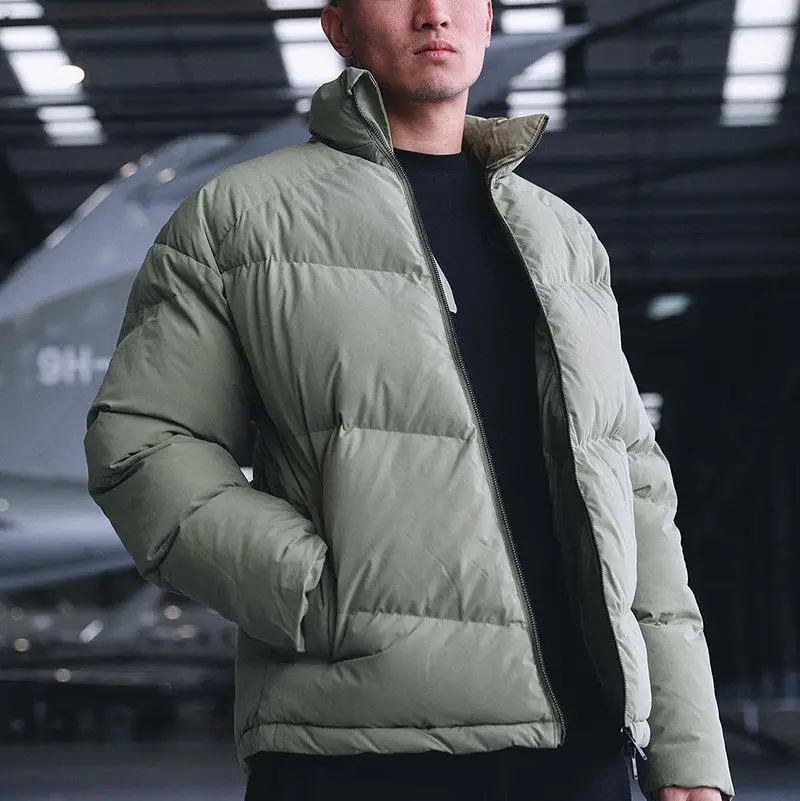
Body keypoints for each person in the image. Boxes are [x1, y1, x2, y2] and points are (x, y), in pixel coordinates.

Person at [83, 1, 734, 800]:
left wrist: (688, 749)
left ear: (487, 22)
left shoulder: (565, 239)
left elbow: (634, 489)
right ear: (339, 28)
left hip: (583, 746)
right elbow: (144, 443)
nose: (434, 14)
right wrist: (319, 594)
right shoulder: (239, 219)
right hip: (354, 744)